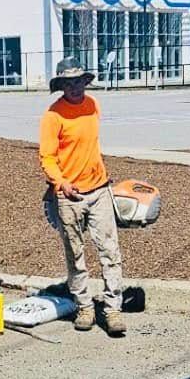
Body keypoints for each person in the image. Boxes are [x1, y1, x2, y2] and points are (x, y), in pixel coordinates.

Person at [39, 56, 125, 337]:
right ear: (61, 85)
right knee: (75, 253)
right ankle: (84, 306)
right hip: (69, 194)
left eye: (79, 81)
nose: (75, 88)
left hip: (99, 189)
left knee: (109, 251)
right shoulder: (53, 116)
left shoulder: (92, 105)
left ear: (85, 82)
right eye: (69, 83)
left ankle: (112, 309)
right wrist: (60, 183)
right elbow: (47, 157)